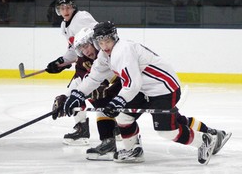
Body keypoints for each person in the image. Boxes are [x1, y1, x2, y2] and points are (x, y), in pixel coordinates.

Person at [63, 21, 232, 165]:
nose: (104, 46)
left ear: (114, 37)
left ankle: (206, 140)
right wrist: (76, 95)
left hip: (164, 88)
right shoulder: (104, 56)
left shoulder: (123, 50)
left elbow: (132, 84)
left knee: (167, 130)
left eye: (107, 41)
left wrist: (118, 101)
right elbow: (93, 78)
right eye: (100, 42)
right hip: (145, 90)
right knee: (123, 117)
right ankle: (133, 151)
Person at [53, 27, 122, 160]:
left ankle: (119, 130)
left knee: (102, 98)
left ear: (95, 43)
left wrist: (107, 89)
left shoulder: (109, 53)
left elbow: (123, 79)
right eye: (82, 48)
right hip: (114, 92)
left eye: (87, 46)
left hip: (128, 90)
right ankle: (104, 134)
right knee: (98, 98)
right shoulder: (84, 59)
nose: (85, 51)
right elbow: (78, 80)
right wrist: (66, 98)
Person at [44, 0, 98, 146]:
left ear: (73, 8)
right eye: (62, 8)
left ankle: (87, 130)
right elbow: (74, 50)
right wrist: (60, 63)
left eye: (68, 7)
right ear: (58, 11)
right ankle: (85, 128)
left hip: (96, 63)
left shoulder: (82, 17)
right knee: (77, 92)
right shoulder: (64, 26)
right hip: (84, 64)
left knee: (86, 93)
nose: (65, 10)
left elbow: (97, 37)